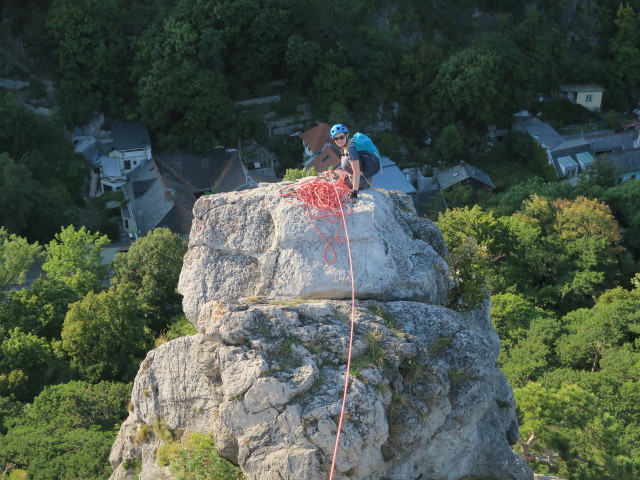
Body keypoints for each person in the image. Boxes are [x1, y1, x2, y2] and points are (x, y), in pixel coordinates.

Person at [330, 124, 376, 200]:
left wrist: (354, 192)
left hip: (362, 181)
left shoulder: (351, 151)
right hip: (362, 177)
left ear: (346, 135)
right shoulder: (345, 147)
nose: (339, 140)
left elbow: (356, 172)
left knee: (334, 179)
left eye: (341, 137)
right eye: (336, 139)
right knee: (334, 174)